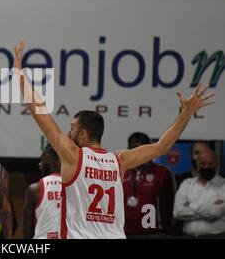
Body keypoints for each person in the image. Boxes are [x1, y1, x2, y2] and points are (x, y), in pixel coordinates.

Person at [13, 39, 215, 239]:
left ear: (83, 134)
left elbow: (40, 112)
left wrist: (20, 75)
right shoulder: (119, 161)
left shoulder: (73, 155)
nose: (68, 133)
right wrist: (186, 114)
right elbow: (162, 146)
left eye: (72, 128)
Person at [123, 132, 176, 238]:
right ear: (128, 149)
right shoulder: (120, 171)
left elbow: (171, 203)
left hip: (154, 233)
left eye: (142, 148)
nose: (138, 152)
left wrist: (167, 230)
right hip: (125, 233)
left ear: (150, 150)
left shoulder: (162, 172)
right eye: (134, 148)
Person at [173, 149, 225, 238]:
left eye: (210, 164)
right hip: (188, 236)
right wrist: (208, 212)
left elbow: (216, 212)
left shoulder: (223, 185)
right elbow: (178, 212)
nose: (207, 167)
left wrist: (191, 205)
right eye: (203, 164)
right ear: (197, 165)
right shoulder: (187, 184)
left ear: (217, 165)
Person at [23, 144, 61, 239]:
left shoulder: (35, 189)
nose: (39, 164)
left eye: (42, 160)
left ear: (52, 162)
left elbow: (27, 231)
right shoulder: (75, 185)